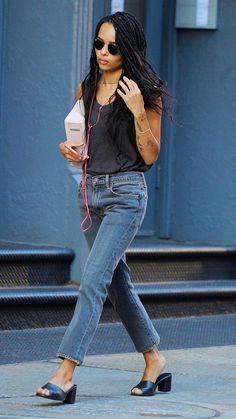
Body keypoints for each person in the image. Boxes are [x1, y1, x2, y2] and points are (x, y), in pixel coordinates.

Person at [36, 11, 172, 403]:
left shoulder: (148, 93)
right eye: (99, 43)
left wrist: (135, 110)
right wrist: (70, 151)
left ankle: (65, 372)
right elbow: (84, 145)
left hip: (126, 195)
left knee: (93, 280)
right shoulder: (87, 87)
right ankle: (154, 360)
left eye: (113, 46)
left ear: (127, 49)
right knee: (116, 283)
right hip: (90, 193)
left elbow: (149, 155)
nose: (103, 52)